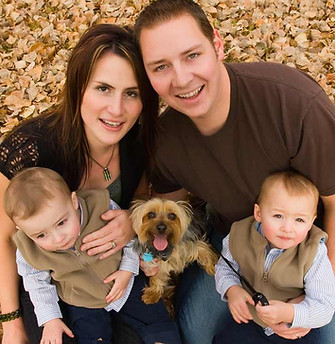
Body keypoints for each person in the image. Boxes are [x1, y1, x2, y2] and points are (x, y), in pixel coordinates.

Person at [133, 0, 335, 343]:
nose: (182, 79)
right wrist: (145, 252)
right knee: (194, 330)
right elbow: (167, 214)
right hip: (234, 246)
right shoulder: (165, 140)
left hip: (307, 248)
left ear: (217, 44)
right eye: (161, 67)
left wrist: (315, 295)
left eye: (192, 55)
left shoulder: (293, 104)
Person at [0, 24, 158, 344]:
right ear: (78, 87)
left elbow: (141, 196)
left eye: (131, 93)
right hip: (51, 283)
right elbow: (3, 239)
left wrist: (133, 220)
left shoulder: (140, 141)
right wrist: (12, 324)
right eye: (103, 88)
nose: (116, 109)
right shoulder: (30, 149)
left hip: (113, 272)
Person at [3, 167, 180, 344]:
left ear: (73, 201)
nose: (58, 238)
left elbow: (129, 239)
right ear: (24, 231)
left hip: (125, 284)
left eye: (62, 223)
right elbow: (37, 284)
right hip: (82, 301)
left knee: (156, 323)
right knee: (91, 336)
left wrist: (127, 270)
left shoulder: (99, 208)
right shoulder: (29, 250)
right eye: (41, 235)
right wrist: (51, 319)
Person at [214, 171, 335, 344]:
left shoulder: (313, 252)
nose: (287, 228)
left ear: (311, 222)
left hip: (295, 330)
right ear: (259, 213)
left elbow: (324, 306)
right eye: (278, 216)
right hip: (251, 319)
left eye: (299, 220)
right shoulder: (239, 234)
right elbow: (224, 267)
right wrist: (232, 289)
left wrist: (290, 313)